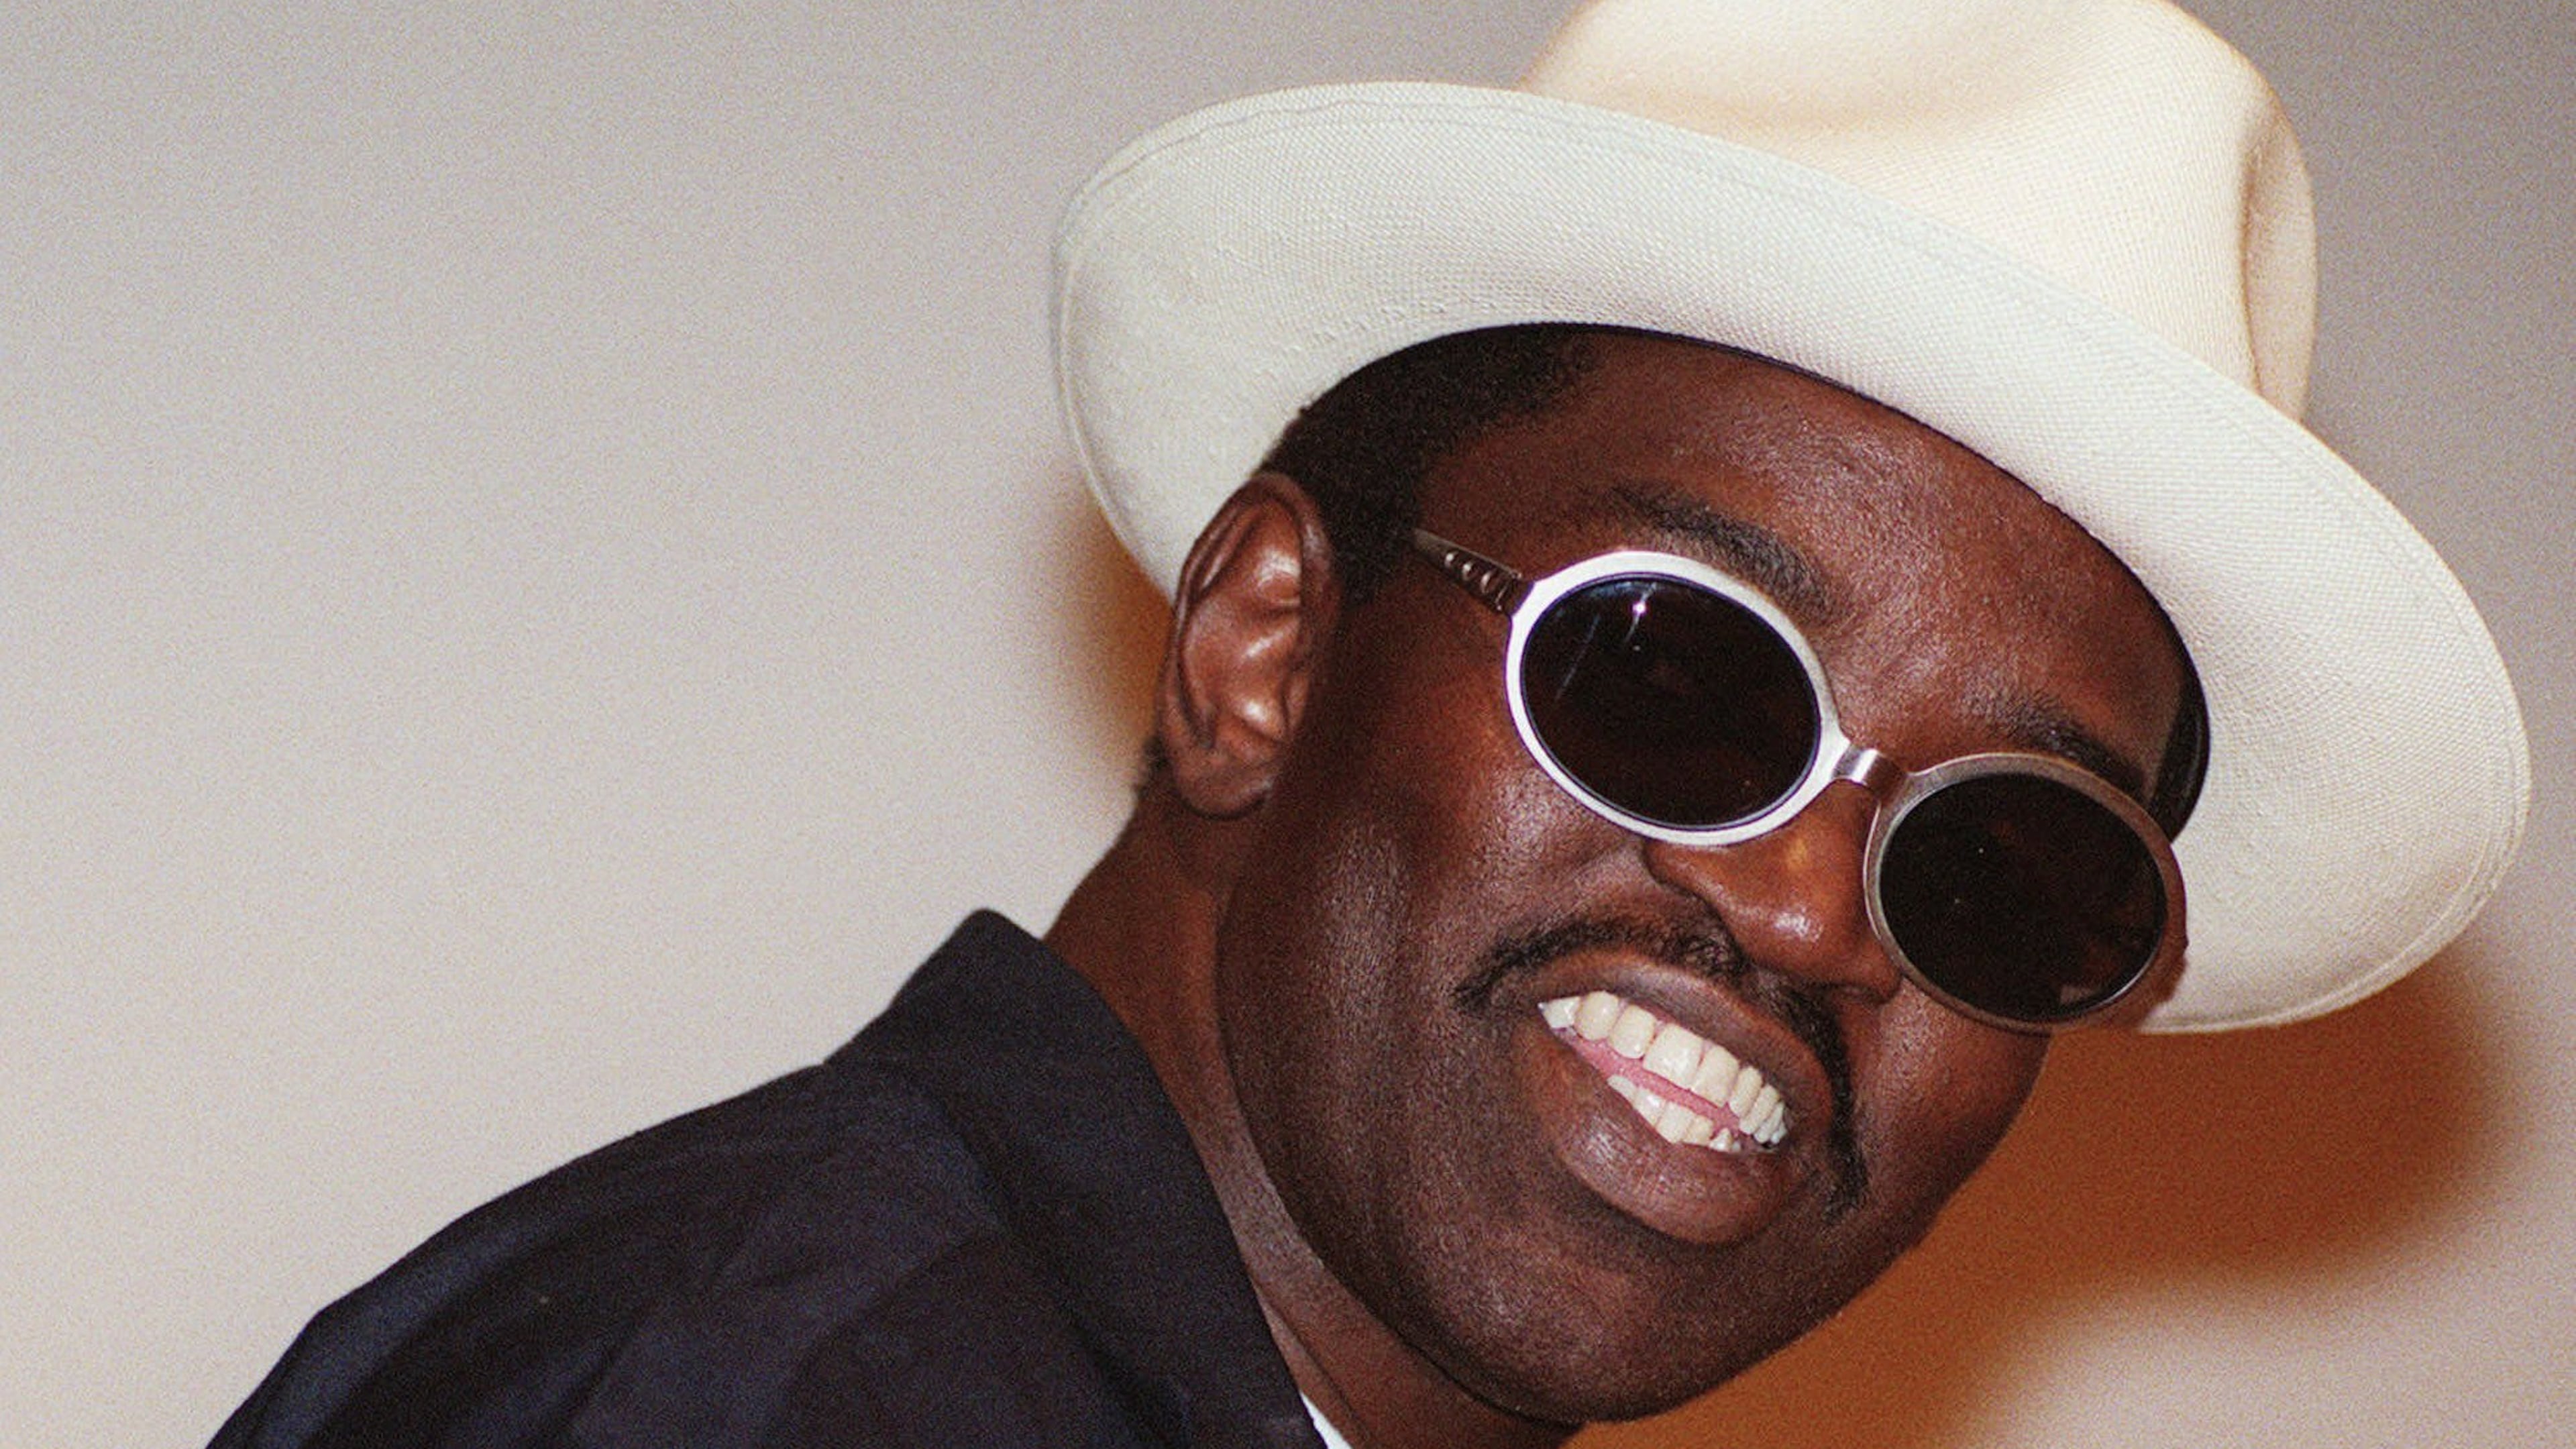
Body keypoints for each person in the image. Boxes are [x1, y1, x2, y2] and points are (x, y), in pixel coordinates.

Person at [211, 1, 2529, 1446]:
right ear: (1264, 653)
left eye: (2005, 872)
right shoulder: (774, 1404)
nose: (1819, 908)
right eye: (1681, 676)